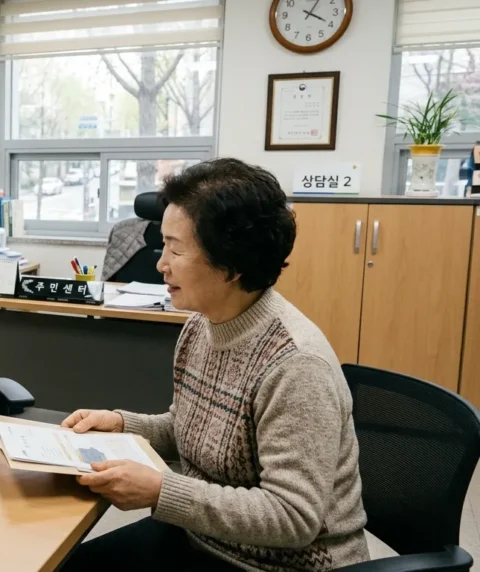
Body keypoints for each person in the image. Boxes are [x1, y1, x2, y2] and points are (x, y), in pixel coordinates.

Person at [61, 158, 369, 571]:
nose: (160, 264)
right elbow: (194, 430)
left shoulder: (297, 365)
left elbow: (292, 516)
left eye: (175, 248)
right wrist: (122, 424)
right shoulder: (201, 327)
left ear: (231, 263)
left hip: (281, 564)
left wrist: (161, 492)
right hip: (205, 540)